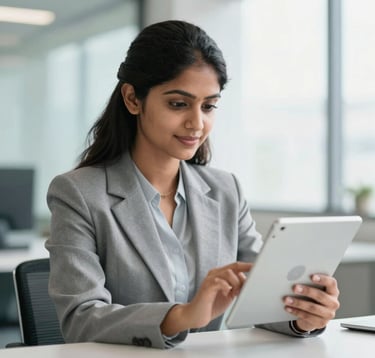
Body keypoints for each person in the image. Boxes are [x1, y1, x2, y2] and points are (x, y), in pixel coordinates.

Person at [46, 20, 340, 349]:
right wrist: (182, 316)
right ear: (132, 99)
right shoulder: (79, 194)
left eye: (209, 106)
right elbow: (81, 318)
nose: (197, 124)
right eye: (178, 104)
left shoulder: (226, 190)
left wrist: (301, 314)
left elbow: (263, 294)